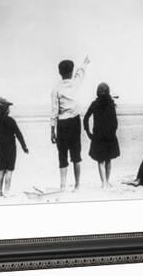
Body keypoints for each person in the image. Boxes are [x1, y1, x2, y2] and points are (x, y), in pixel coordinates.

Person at [51, 55, 90, 191]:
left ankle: (62, 186)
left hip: (62, 124)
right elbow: (81, 73)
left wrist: (52, 131)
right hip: (74, 122)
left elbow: (54, 111)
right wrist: (85, 63)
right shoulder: (75, 83)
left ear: (59, 72)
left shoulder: (55, 89)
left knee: (62, 155)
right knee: (76, 154)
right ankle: (77, 185)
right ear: (71, 71)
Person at [83, 83, 120, 188]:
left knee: (101, 160)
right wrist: (113, 132)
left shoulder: (95, 104)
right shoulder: (111, 103)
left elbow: (85, 118)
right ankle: (106, 182)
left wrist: (88, 133)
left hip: (98, 136)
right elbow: (115, 122)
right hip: (109, 135)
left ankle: (104, 183)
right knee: (108, 159)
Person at [0, 97, 28, 197]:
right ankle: (7, 192)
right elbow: (18, 134)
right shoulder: (11, 121)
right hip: (10, 148)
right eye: (8, 107)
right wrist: (24, 147)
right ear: (5, 109)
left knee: (1, 170)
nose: (9, 109)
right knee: (9, 170)